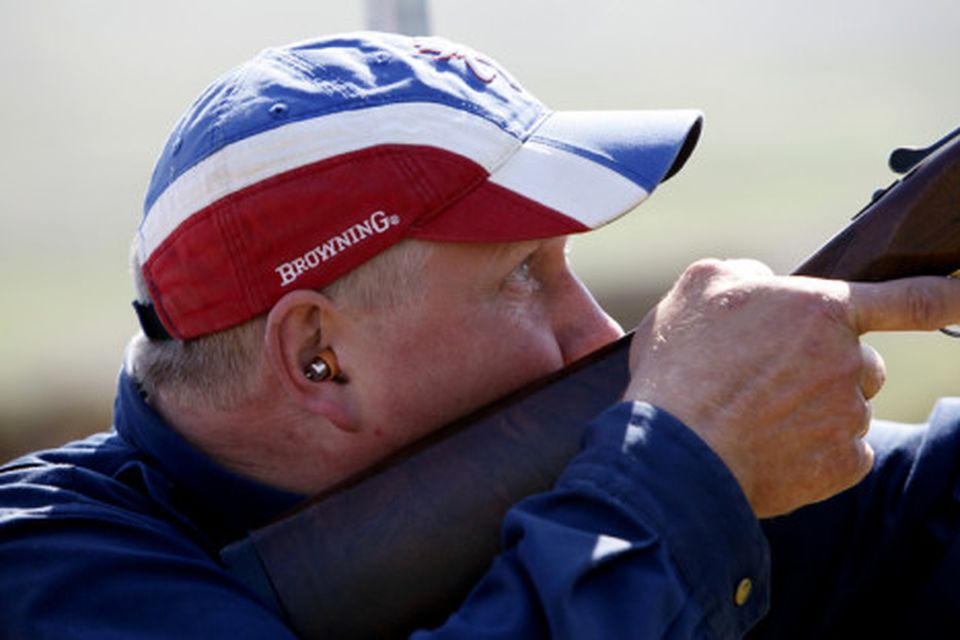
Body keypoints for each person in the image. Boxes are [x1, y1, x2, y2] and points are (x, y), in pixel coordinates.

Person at [1, 31, 958, 639]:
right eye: (522, 278)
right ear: (317, 361)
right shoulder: (42, 577)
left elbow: (923, 518)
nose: (598, 333)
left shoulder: (555, 488)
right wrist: (679, 476)